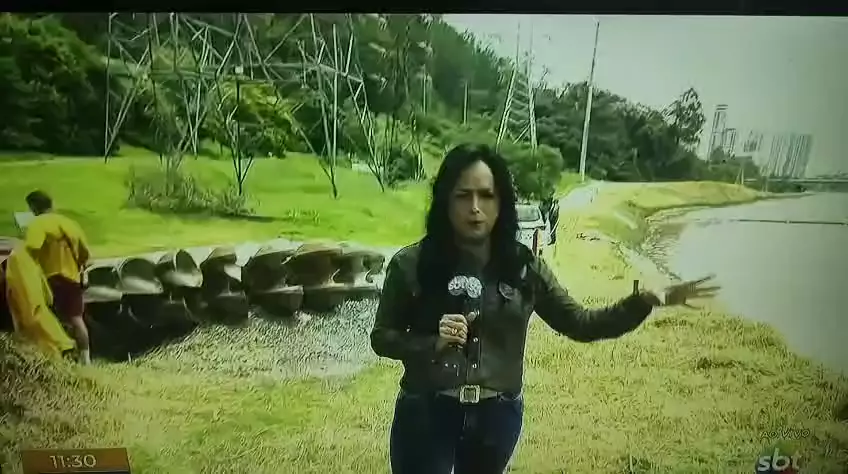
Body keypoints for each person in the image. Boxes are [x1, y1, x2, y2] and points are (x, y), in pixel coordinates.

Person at [370, 144, 718, 474]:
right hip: (425, 413)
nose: (475, 207)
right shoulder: (410, 265)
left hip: (496, 418)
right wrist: (431, 343)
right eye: (463, 195)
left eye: (486, 195)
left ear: (502, 202)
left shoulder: (524, 268)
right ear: (445, 200)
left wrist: (642, 302)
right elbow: (382, 338)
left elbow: (581, 323)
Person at [23, 190, 92, 365]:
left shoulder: (38, 224)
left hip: (49, 279)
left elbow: (32, 248)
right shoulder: (71, 224)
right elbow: (85, 254)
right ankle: (85, 360)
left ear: (33, 208)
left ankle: (56, 358)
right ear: (51, 204)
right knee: (76, 319)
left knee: (46, 318)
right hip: (73, 278)